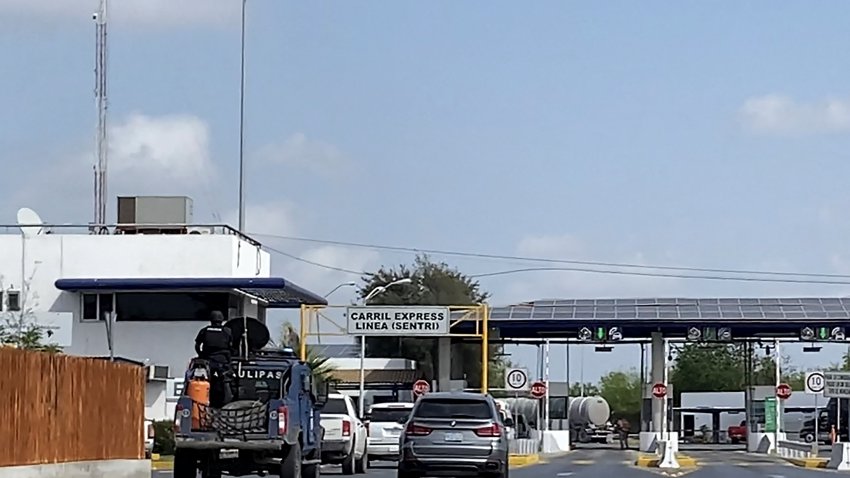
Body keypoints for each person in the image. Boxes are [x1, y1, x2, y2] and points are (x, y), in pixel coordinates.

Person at [194, 311, 233, 406]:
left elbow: (197, 345)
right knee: (226, 380)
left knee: (204, 380)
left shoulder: (204, 330)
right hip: (223, 360)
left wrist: (201, 355)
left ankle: (204, 400)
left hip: (208, 360)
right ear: (222, 320)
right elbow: (231, 346)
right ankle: (227, 402)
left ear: (211, 320)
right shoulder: (227, 331)